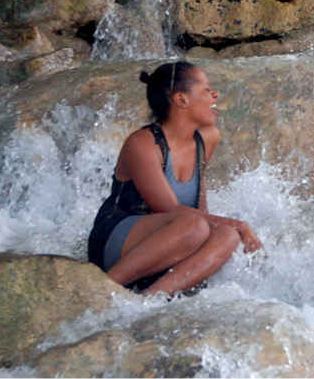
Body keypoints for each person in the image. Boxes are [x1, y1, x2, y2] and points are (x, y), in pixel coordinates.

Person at [87, 61, 261, 295]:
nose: (215, 95)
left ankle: (148, 301)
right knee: (198, 226)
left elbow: (199, 207)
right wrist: (239, 224)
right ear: (181, 100)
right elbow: (169, 209)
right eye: (206, 90)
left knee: (227, 236)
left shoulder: (207, 138)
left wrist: (231, 232)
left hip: (175, 243)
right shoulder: (142, 143)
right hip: (115, 243)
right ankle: (103, 291)